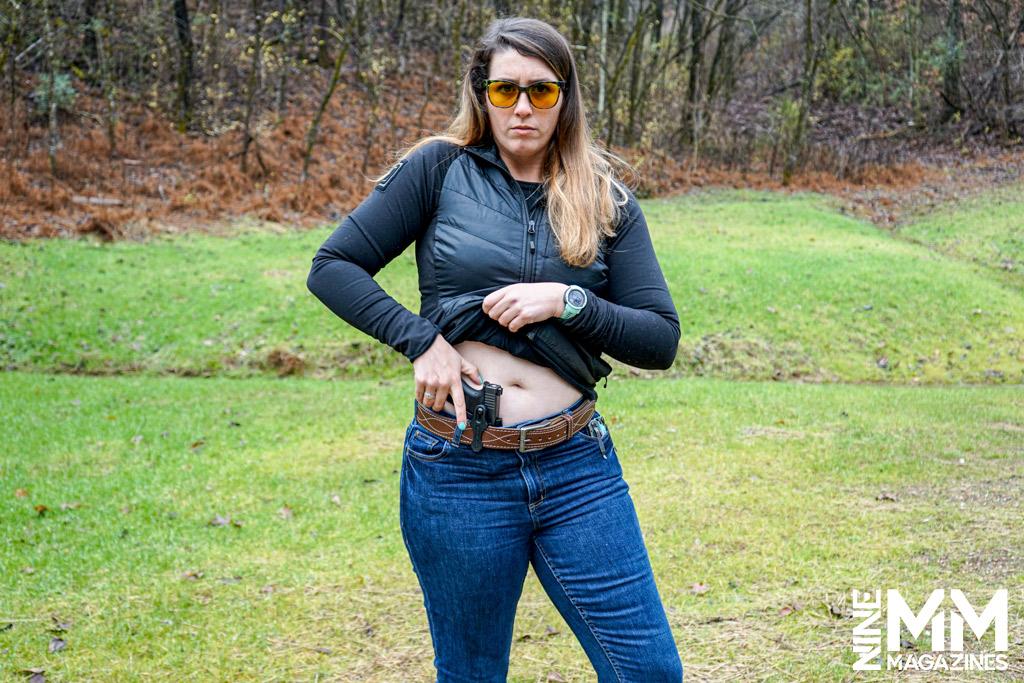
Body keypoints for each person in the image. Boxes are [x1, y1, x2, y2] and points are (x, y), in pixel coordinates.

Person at [306, 16, 683, 682]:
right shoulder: (437, 169)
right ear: (482, 93)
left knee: (648, 670)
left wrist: (568, 301)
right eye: (506, 89)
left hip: (576, 468)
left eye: (543, 89)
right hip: (460, 469)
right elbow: (333, 265)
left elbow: (659, 337)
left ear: (566, 98)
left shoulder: (607, 199)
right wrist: (423, 342)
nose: (524, 107)